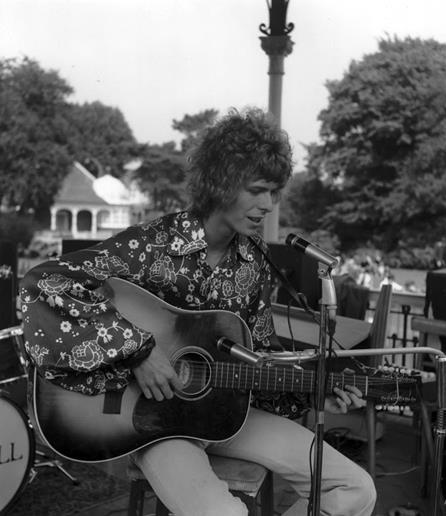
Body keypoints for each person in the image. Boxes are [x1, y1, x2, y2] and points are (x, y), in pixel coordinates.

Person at [20, 108, 376, 516]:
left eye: (275, 192)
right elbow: (45, 282)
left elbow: (259, 358)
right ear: (222, 182)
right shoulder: (151, 245)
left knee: (355, 488)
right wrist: (138, 352)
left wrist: (316, 387)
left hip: (227, 415)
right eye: (258, 189)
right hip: (150, 423)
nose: (268, 205)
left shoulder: (252, 263)